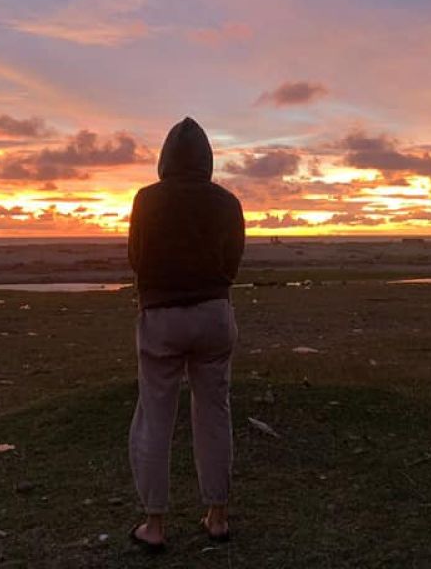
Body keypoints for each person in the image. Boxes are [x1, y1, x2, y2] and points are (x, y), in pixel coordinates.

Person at [126, 117, 245, 552]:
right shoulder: (228, 202)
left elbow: (135, 257)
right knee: (214, 411)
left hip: (161, 316)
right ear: (207, 160)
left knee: (155, 416)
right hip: (214, 314)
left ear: (164, 159)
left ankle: (154, 525)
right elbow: (233, 262)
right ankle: (217, 516)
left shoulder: (146, 200)